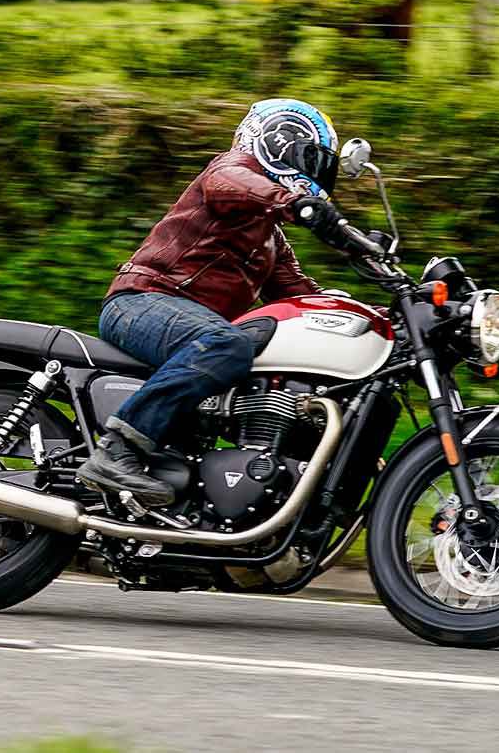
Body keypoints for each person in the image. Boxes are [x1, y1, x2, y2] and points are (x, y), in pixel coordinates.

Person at [77, 98, 354, 506]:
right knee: (230, 344)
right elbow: (231, 182)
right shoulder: (230, 172)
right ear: (278, 141)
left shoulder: (269, 239)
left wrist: (380, 318)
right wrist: (291, 201)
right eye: (307, 157)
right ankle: (117, 450)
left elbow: (303, 298)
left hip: (189, 324)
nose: (312, 170)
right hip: (142, 301)